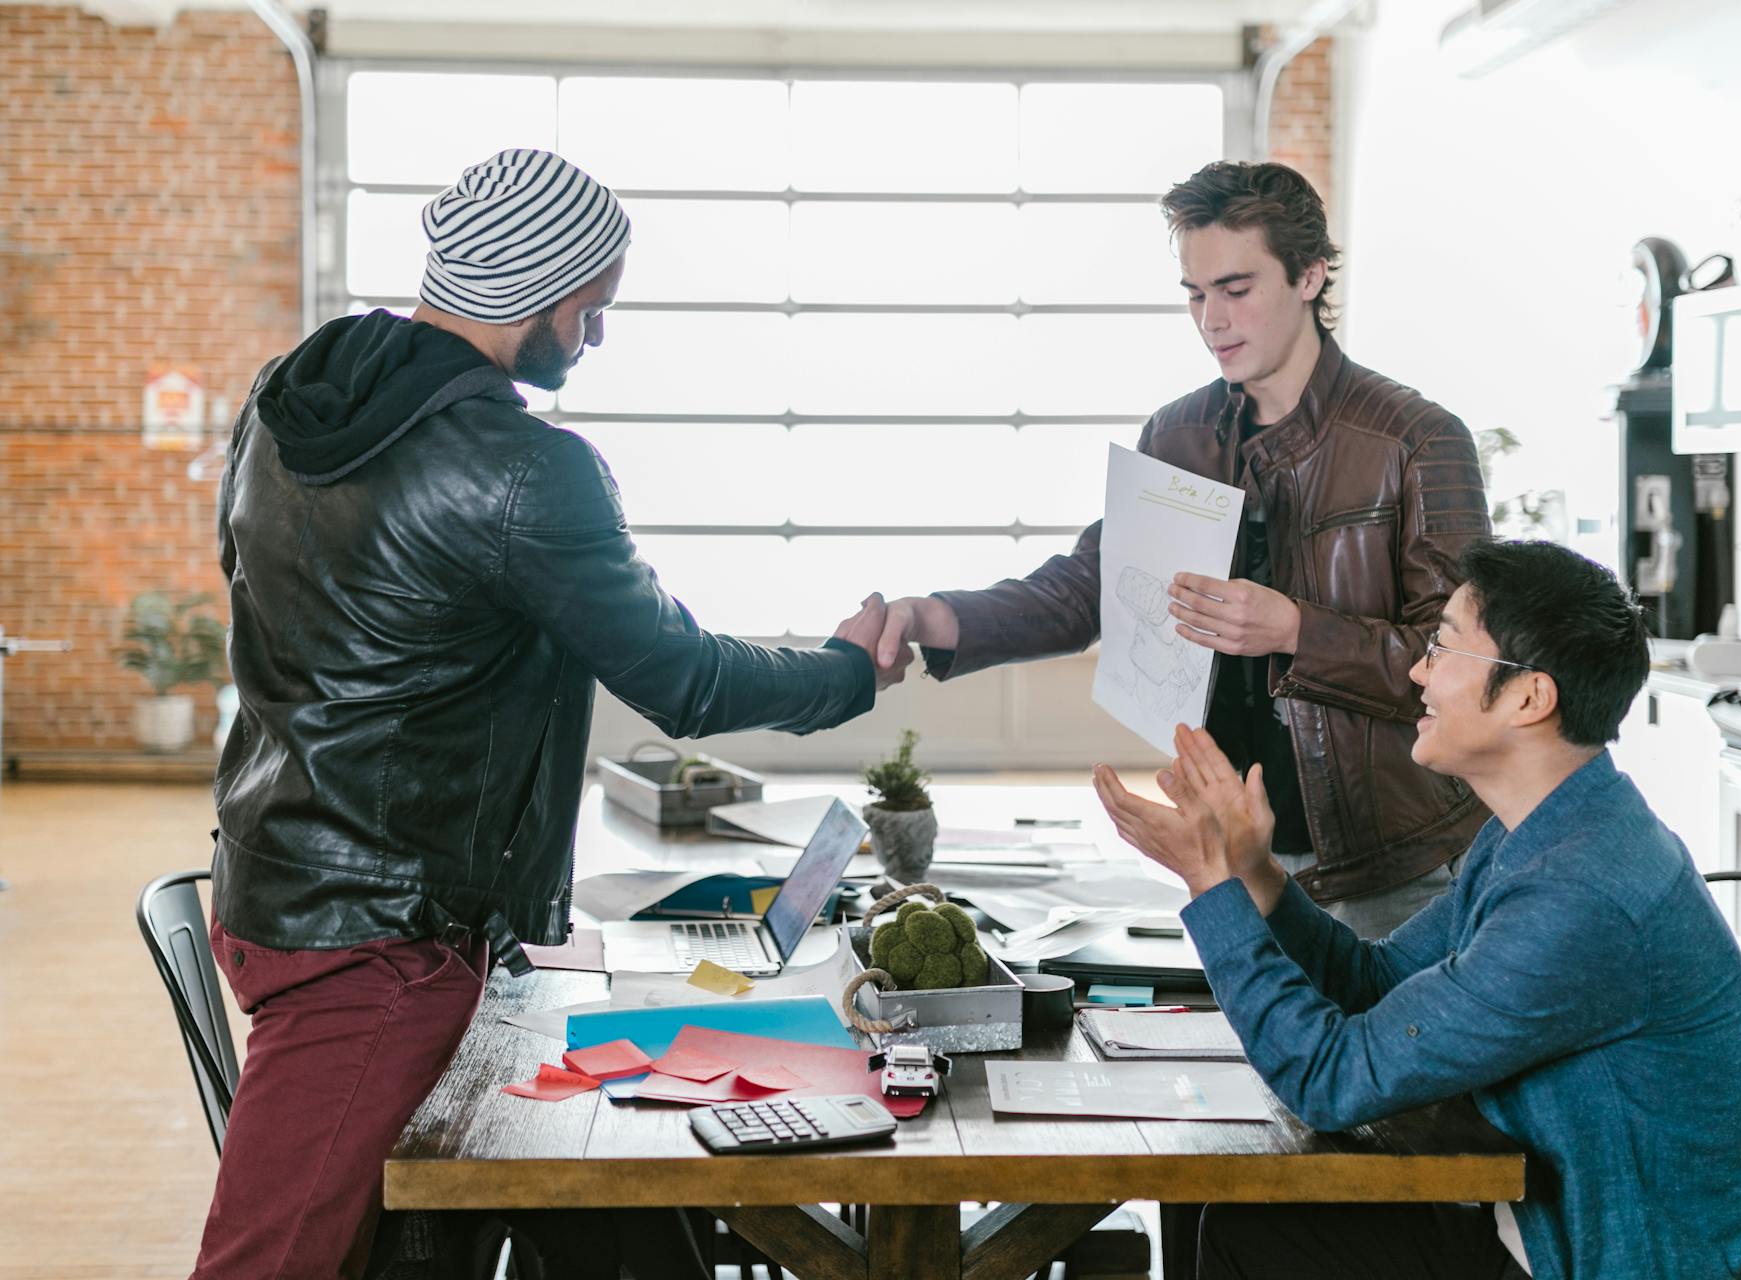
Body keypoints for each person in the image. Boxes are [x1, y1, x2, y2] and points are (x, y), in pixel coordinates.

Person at [195, 149, 894, 1279]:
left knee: (537, 1194)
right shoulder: (524, 468)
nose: (596, 337)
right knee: (272, 1260)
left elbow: (272, 590)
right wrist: (848, 669)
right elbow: (688, 680)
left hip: (276, 876)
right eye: (592, 308)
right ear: (538, 291)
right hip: (378, 940)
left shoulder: (286, 402)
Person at [1092, 539, 1741, 1280]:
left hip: (1617, 1261)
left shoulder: (1584, 895)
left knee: (1252, 1232)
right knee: (1242, 1221)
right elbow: (1376, 979)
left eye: (1444, 646)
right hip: (1544, 1226)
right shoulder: (1544, 832)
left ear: (1528, 696)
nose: (1419, 671)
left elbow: (1333, 1081)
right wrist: (1254, 876)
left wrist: (1212, 888)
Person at [868, 160, 1492, 938]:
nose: (1213, 321)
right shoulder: (1177, 435)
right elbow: (1091, 588)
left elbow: (1467, 668)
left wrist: (1296, 631)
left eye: (1236, 290)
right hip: (1233, 854)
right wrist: (934, 616)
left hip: (1397, 870)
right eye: (1196, 296)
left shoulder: (1418, 438)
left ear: (1310, 276)